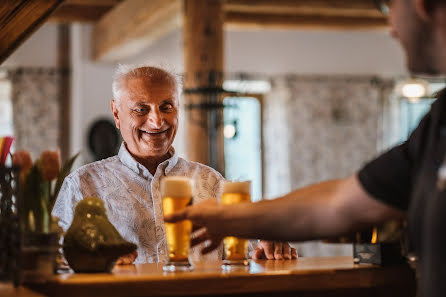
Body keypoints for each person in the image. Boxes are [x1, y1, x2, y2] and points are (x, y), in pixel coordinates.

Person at [165, 0, 446, 296]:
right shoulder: (438, 121)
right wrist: (229, 218)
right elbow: (337, 203)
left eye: (389, 8)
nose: (390, 29)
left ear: (421, 4)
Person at [52, 65, 296, 264]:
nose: (157, 121)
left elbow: (248, 255)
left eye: (166, 107)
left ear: (178, 109)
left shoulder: (211, 182)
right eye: (141, 109)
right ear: (116, 113)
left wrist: (270, 246)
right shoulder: (82, 186)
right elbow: (55, 266)